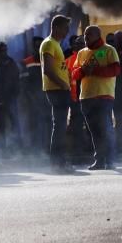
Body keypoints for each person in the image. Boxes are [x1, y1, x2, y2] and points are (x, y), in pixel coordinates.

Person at [72, 25, 121, 170]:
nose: (85, 38)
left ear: (98, 35)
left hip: (104, 96)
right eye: (85, 35)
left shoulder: (108, 50)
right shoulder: (81, 53)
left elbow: (116, 70)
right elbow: (74, 74)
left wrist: (95, 70)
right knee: (93, 131)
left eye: (89, 35)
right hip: (86, 97)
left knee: (105, 128)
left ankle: (110, 160)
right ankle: (99, 160)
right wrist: (82, 70)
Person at [41, 15, 73, 172]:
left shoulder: (55, 44)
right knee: (59, 127)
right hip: (57, 90)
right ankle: (58, 163)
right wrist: (63, 85)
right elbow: (47, 70)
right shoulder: (48, 44)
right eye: (65, 28)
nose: (67, 31)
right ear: (56, 27)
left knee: (60, 126)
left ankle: (59, 162)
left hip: (60, 90)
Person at [0, 41, 22, 156]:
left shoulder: (11, 62)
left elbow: (16, 79)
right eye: (2, 50)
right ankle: (2, 148)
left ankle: (17, 148)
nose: (4, 52)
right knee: (0, 125)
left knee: (15, 123)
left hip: (10, 98)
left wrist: (15, 93)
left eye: (5, 50)